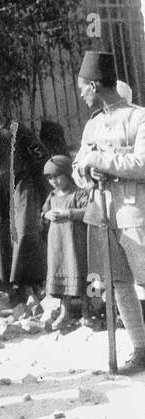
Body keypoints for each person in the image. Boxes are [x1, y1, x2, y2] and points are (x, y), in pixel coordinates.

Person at [72, 51, 145, 373]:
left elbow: (142, 164)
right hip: (103, 213)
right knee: (119, 284)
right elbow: (77, 168)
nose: (82, 94)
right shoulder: (93, 124)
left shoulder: (139, 118)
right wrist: (86, 173)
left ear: (96, 85)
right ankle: (141, 347)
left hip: (135, 213)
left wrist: (99, 162)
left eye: (83, 87)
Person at [0, 84, 49, 312]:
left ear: (1, 104)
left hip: (21, 185)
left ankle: (30, 283)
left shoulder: (17, 128)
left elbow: (39, 152)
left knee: (24, 230)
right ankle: (12, 287)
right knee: (1, 237)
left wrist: (36, 174)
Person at [41, 156, 89, 331]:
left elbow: (88, 212)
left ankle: (86, 311)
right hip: (58, 245)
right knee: (61, 271)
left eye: (57, 176)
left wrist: (68, 213)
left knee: (79, 271)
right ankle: (64, 311)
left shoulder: (79, 193)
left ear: (68, 174)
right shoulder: (52, 196)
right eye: (50, 178)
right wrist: (46, 215)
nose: (53, 181)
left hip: (75, 243)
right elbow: (44, 211)